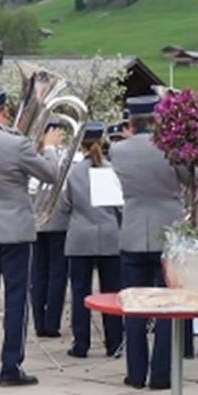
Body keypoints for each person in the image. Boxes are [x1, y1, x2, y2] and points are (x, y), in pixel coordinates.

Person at [0, 87, 59, 387]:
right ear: (4, 111)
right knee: (16, 299)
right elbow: (51, 174)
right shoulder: (17, 144)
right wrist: (51, 146)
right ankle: (10, 367)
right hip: (14, 229)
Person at [110, 94, 186, 390]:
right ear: (158, 119)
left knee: (134, 305)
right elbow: (189, 178)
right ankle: (161, 374)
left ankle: (136, 372)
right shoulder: (171, 146)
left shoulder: (117, 150)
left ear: (130, 121)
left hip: (132, 230)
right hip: (167, 229)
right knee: (167, 305)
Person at [59, 122, 123, 359]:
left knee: (80, 293)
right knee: (112, 293)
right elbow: (120, 208)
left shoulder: (74, 171)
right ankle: (114, 343)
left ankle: (81, 344)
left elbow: (65, 204)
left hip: (80, 236)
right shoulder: (110, 170)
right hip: (108, 235)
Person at [31, 120, 69, 339]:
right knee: (53, 274)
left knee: (41, 273)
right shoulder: (54, 156)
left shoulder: (34, 155)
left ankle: (42, 322)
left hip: (41, 222)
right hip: (55, 221)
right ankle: (49, 323)